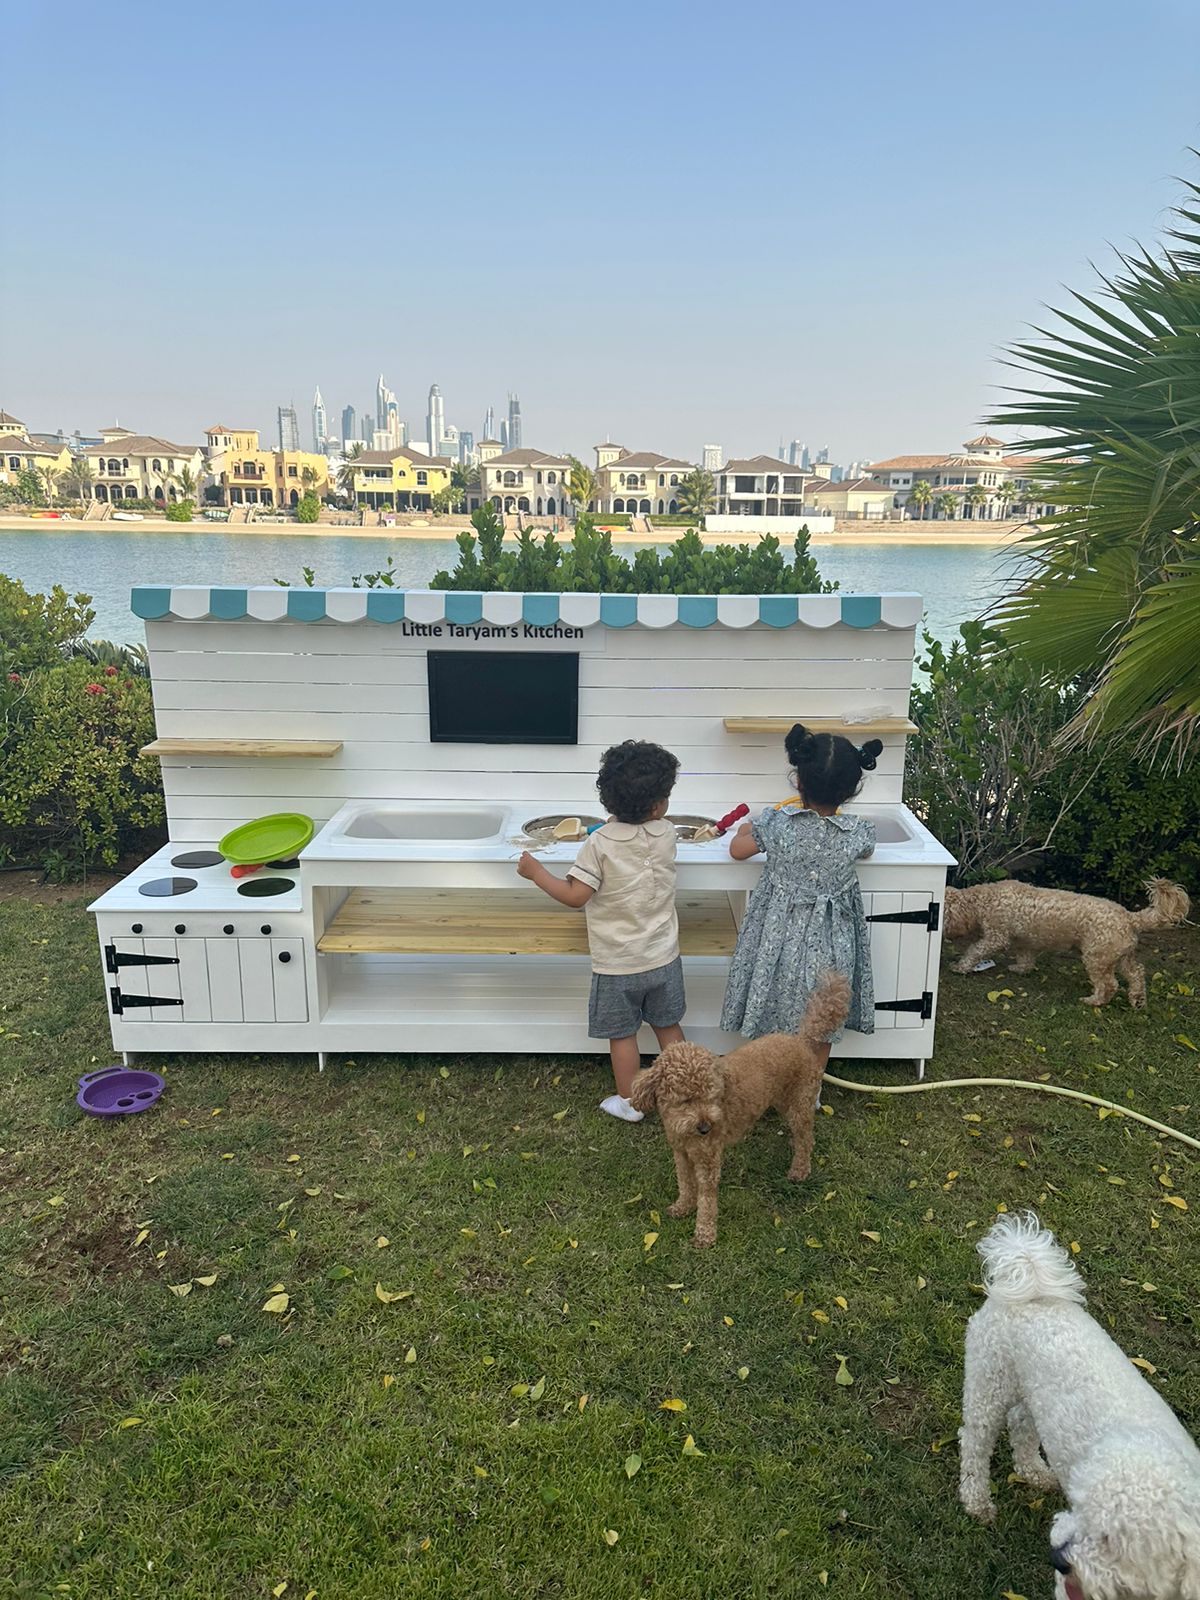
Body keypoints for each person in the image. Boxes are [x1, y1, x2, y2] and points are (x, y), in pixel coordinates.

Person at [517, 740, 685, 1123]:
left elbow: (576, 895)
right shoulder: (667, 833)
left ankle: (630, 1103)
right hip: (663, 956)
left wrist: (537, 873)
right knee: (667, 1026)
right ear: (658, 806)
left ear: (609, 802)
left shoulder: (598, 844)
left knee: (623, 1034)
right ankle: (683, 1095)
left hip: (617, 964)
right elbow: (640, 834)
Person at [720, 723, 882, 1072]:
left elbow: (737, 850)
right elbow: (866, 849)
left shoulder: (777, 824)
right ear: (852, 789)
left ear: (799, 781)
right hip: (831, 943)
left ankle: (769, 1078)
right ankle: (811, 1088)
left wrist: (749, 827)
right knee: (821, 1015)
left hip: (779, 938)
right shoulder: (857, 832)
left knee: (772, 1000)